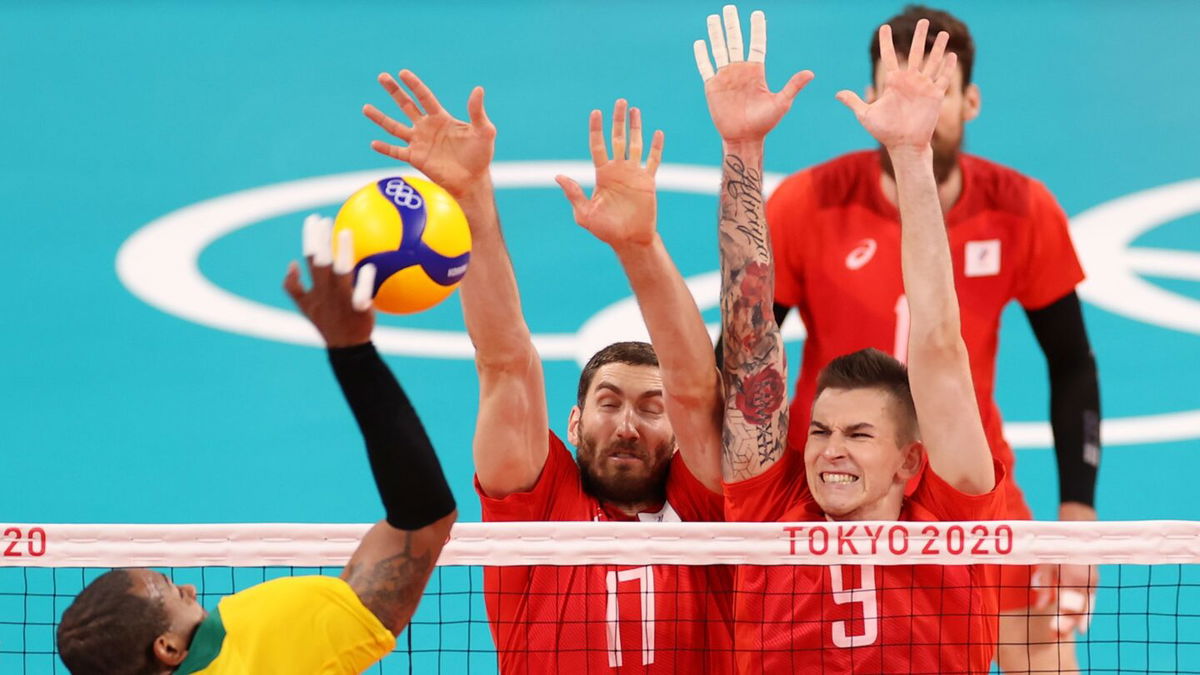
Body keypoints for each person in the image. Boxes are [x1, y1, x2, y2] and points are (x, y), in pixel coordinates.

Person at [765, 6, 1100, 669]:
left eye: (934, 90)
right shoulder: (806, 204)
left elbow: (1071, 363)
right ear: (869, 100)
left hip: (964, 477)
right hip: (831, 479)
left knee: (1047, 658)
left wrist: (1077, 517)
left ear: (969, 100)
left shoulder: (1021, 208)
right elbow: (745, 360)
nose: (916, 108)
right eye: (897, 90)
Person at [364, 72, 732, 672]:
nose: (628, 425)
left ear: (679, 431)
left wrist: (639, 246)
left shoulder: (708, 509)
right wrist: (470, 197)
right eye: (609, 403)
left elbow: (697, 388)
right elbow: (505, 363)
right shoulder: (537, 509)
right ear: (574, 420)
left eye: (651, 407)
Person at [698, 8, 1005, 672]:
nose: (829, 451)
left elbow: (940, 343)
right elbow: (748, 345)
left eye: (859, 434)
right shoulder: (772, 509)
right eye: (822, 430)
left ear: (909, 463)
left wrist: (910, 156)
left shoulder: (951, 521)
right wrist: (741, 152)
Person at [54, 217, 458, 674]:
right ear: (166, 647)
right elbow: (422, 521)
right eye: (170, 592)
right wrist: (352, 352)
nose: (187, 588)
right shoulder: (259, 650)